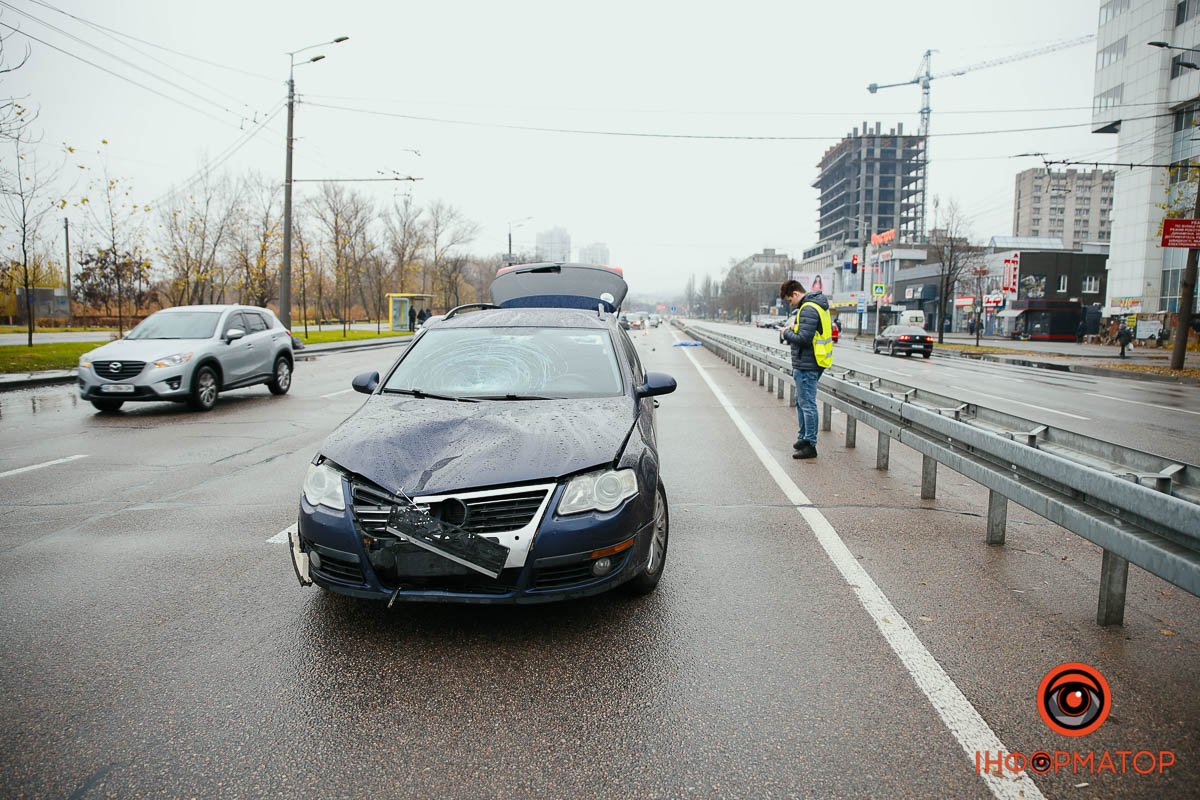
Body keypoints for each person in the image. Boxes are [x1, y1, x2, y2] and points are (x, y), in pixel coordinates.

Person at [779, 279, 833, 460]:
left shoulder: (808, 308)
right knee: (802, 401)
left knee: (807, 404)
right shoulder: (814, 306)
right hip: (811, 361)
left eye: (789, 300)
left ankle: (810, 444)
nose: (790, 304)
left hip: (808, 362)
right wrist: (793, 327)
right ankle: (803, 438)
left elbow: (803, 338)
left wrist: (786, 333)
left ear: (795, 294)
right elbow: (809, 332)